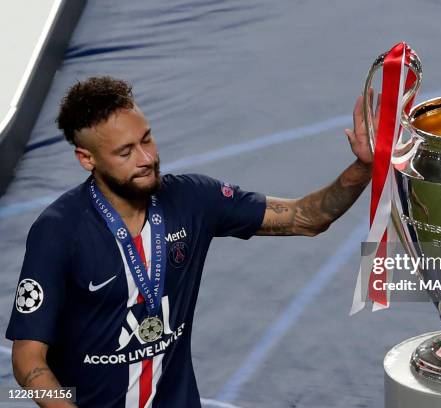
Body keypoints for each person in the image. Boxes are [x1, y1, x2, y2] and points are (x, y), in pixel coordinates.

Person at [5, 76, 378, 407]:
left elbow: (307, 217)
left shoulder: (193, 200)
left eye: (146, 138)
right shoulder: (58, 230)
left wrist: (363, 167)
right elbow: (28, 358)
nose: (147, 158)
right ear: (87, 159)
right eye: (125, 152)